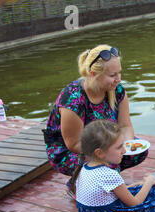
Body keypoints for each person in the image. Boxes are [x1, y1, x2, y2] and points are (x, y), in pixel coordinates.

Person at [43, 44, 147, 195]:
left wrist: (124, 146)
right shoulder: (73, 99)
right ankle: (78, 182)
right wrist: (108, 152)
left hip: (103, 144)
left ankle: (102, 178)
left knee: (137, 151)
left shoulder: (117, 90)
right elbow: (73, 144)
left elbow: (125, 126)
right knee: (109, 163)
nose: (119, 79)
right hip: (68, 151)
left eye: (119, 73)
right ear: (93, 74)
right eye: (112, 75)